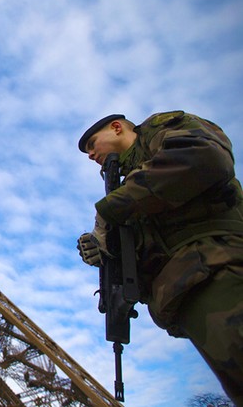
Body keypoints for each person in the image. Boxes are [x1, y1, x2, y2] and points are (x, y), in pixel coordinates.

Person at [76, 111, 243, 405]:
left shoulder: (159, 130)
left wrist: (110, 209)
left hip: (218, 266)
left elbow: (205, 158)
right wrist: (105, 251)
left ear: (117, 128)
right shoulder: (125, 179)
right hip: (188, 289)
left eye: (92, 143)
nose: (90, 154)